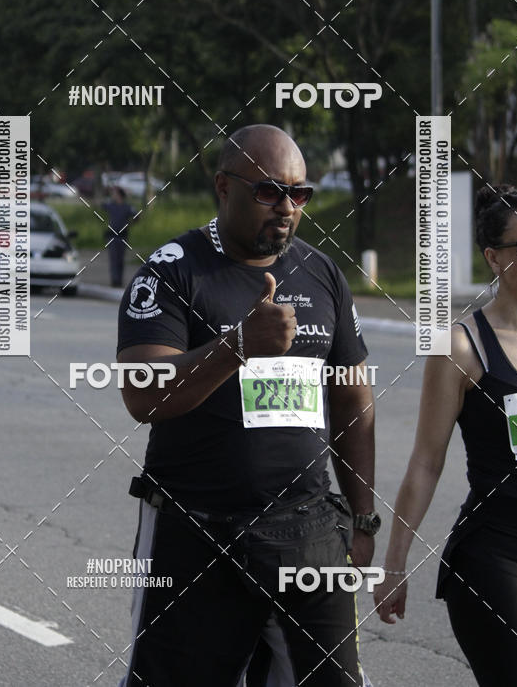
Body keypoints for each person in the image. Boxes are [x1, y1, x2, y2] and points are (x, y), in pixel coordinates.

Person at [117, 124, 379, 686]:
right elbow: (142, 391)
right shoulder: (173, 270)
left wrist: (362, 517)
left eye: (299, 194)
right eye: (267, 192)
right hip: (198, 531)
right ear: (223, 186)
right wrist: (238, 346)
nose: (286, 207)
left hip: (308, 534)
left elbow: (352, 399)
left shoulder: (321, 272)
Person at [374, 184, 517, 685]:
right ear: (494, 257)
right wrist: (394, 565)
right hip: (496, 558)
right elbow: (425, 462)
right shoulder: (461, 345)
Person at [103, 186, 135, 287]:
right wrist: (107, 191)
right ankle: (114, 280)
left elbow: (136, 215)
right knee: (113, 258)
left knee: (120, 259)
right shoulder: (111, 205)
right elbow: (100, 204)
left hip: (123, 236)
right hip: (112, 236)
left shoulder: (127, 207)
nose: (113, 196)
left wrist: (130, 224)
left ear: (120, 195)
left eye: (115, 194)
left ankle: (119, 280)